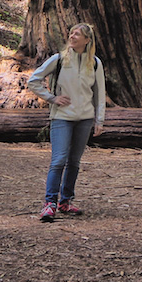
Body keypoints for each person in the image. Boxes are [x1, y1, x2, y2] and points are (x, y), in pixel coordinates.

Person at [28, 23, 106, 222]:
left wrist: (99, 120)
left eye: (77, 34)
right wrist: (52, 98)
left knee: (74, 161)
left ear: (87, 40)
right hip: (62, 117)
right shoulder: (60, 59)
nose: (72, 36)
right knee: (58, 160)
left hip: (85, 118)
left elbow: (99, 94)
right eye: (71, 33)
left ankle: (66, 201)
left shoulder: (95, 63)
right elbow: (34, 80)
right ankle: (50, 203)